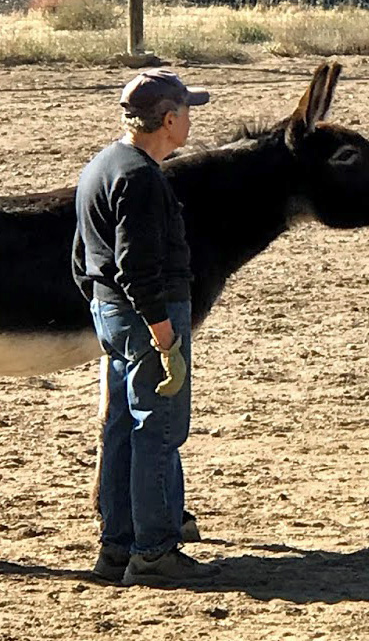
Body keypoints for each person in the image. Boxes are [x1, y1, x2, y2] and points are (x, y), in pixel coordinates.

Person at [72, 69, 220, 586]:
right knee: (157, 431)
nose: (191, 119)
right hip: (148, 319)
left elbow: (82, 257)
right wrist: (163, 334)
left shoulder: (102, 165)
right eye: (187, 110)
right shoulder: (141, 178)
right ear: (169, 119)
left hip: (111, 315)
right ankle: (154, 552)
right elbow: (137, 266)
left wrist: (105, 309)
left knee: (122, 428)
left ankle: (117, 546)